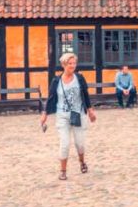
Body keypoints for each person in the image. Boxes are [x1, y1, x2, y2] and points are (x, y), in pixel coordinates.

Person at [41, 52, 97, 180]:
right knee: (64, 143)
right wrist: (45, 114)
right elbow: (50, 98)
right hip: (62, 116)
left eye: (74, 63)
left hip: (78, 114)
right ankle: (63, 170)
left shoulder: (80, 78)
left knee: (80, 144)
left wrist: (90, 110)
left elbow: (86, 95)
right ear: (63, 65)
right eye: (70, 64)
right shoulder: (56, 81)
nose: (73, 66)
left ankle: (82, 162)